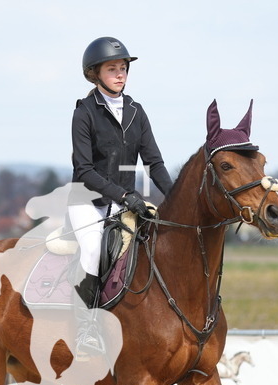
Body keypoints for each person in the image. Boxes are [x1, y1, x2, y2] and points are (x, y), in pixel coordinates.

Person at [69, 36, 173, 356]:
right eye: (112, 68)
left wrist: (176, 200)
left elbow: (154, 163)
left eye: (123, 68)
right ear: (94, 73)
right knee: (90, 250)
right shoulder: (85, 112)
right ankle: (85, 328)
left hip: (128, 203)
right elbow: (84, 169)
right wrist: (125, 195)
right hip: (89, 202)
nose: (120, 74)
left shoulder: (136, 112)